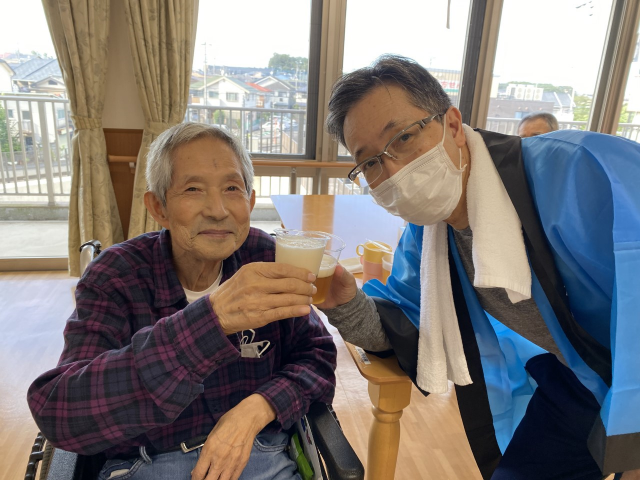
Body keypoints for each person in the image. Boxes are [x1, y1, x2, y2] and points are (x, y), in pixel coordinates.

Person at [318, 55, 640, 479]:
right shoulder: (428, 236)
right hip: (581, 376)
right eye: (371, 162)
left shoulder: (581, 170)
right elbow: (406, 321)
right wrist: (344, 302)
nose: (393, 169)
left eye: (403, 138)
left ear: (452, 124)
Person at [27, 123, 337, 480]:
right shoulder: (117, 275)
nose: (218, 210)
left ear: (250, 202)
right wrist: (210, 322)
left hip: (261, 454)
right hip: (146, 464)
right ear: (158, 207)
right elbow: (61, 413)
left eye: (232, 188)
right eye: (193, 189)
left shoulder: (266, 258)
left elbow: (317, 356)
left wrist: (257, 408)